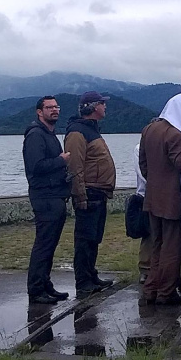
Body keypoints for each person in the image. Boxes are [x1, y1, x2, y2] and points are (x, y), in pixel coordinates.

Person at [139, 118, 181, 305]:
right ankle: (166, 292)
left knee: (157, 245)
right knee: (173, 247)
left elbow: (143, 165)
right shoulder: (174, 134)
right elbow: (180, 162)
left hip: (153, 197)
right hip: (171, 199)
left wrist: (155, 182)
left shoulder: (149, 128)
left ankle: (151, 289)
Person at [64, 91, 116, 297]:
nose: (105, 107)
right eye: (103, 104)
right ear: (94, 107)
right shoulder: (78, 133)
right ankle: (83, 281)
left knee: (94, 238)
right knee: (85, 239)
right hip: (89, 192)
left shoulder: (90, 130)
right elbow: (74, 167)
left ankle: (91, 275)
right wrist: (80, 195)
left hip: (98, 192)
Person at [22, 96, 72, 304]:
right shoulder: (35, 135)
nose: (54, 110)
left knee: (50, 244)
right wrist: (60, 161)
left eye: (56, 107)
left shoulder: (49, 134)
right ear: (39, 112)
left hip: (55, 195)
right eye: (49, 107)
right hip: (44, 196)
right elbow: (36, 167)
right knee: (43, 244)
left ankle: (45, 284)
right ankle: (35, 290)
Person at [133, 143, 151, 285]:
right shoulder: (139, 148)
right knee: (148, 234)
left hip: (166, 195)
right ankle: (145, 270)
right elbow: (142, 173)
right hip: (146, 196)